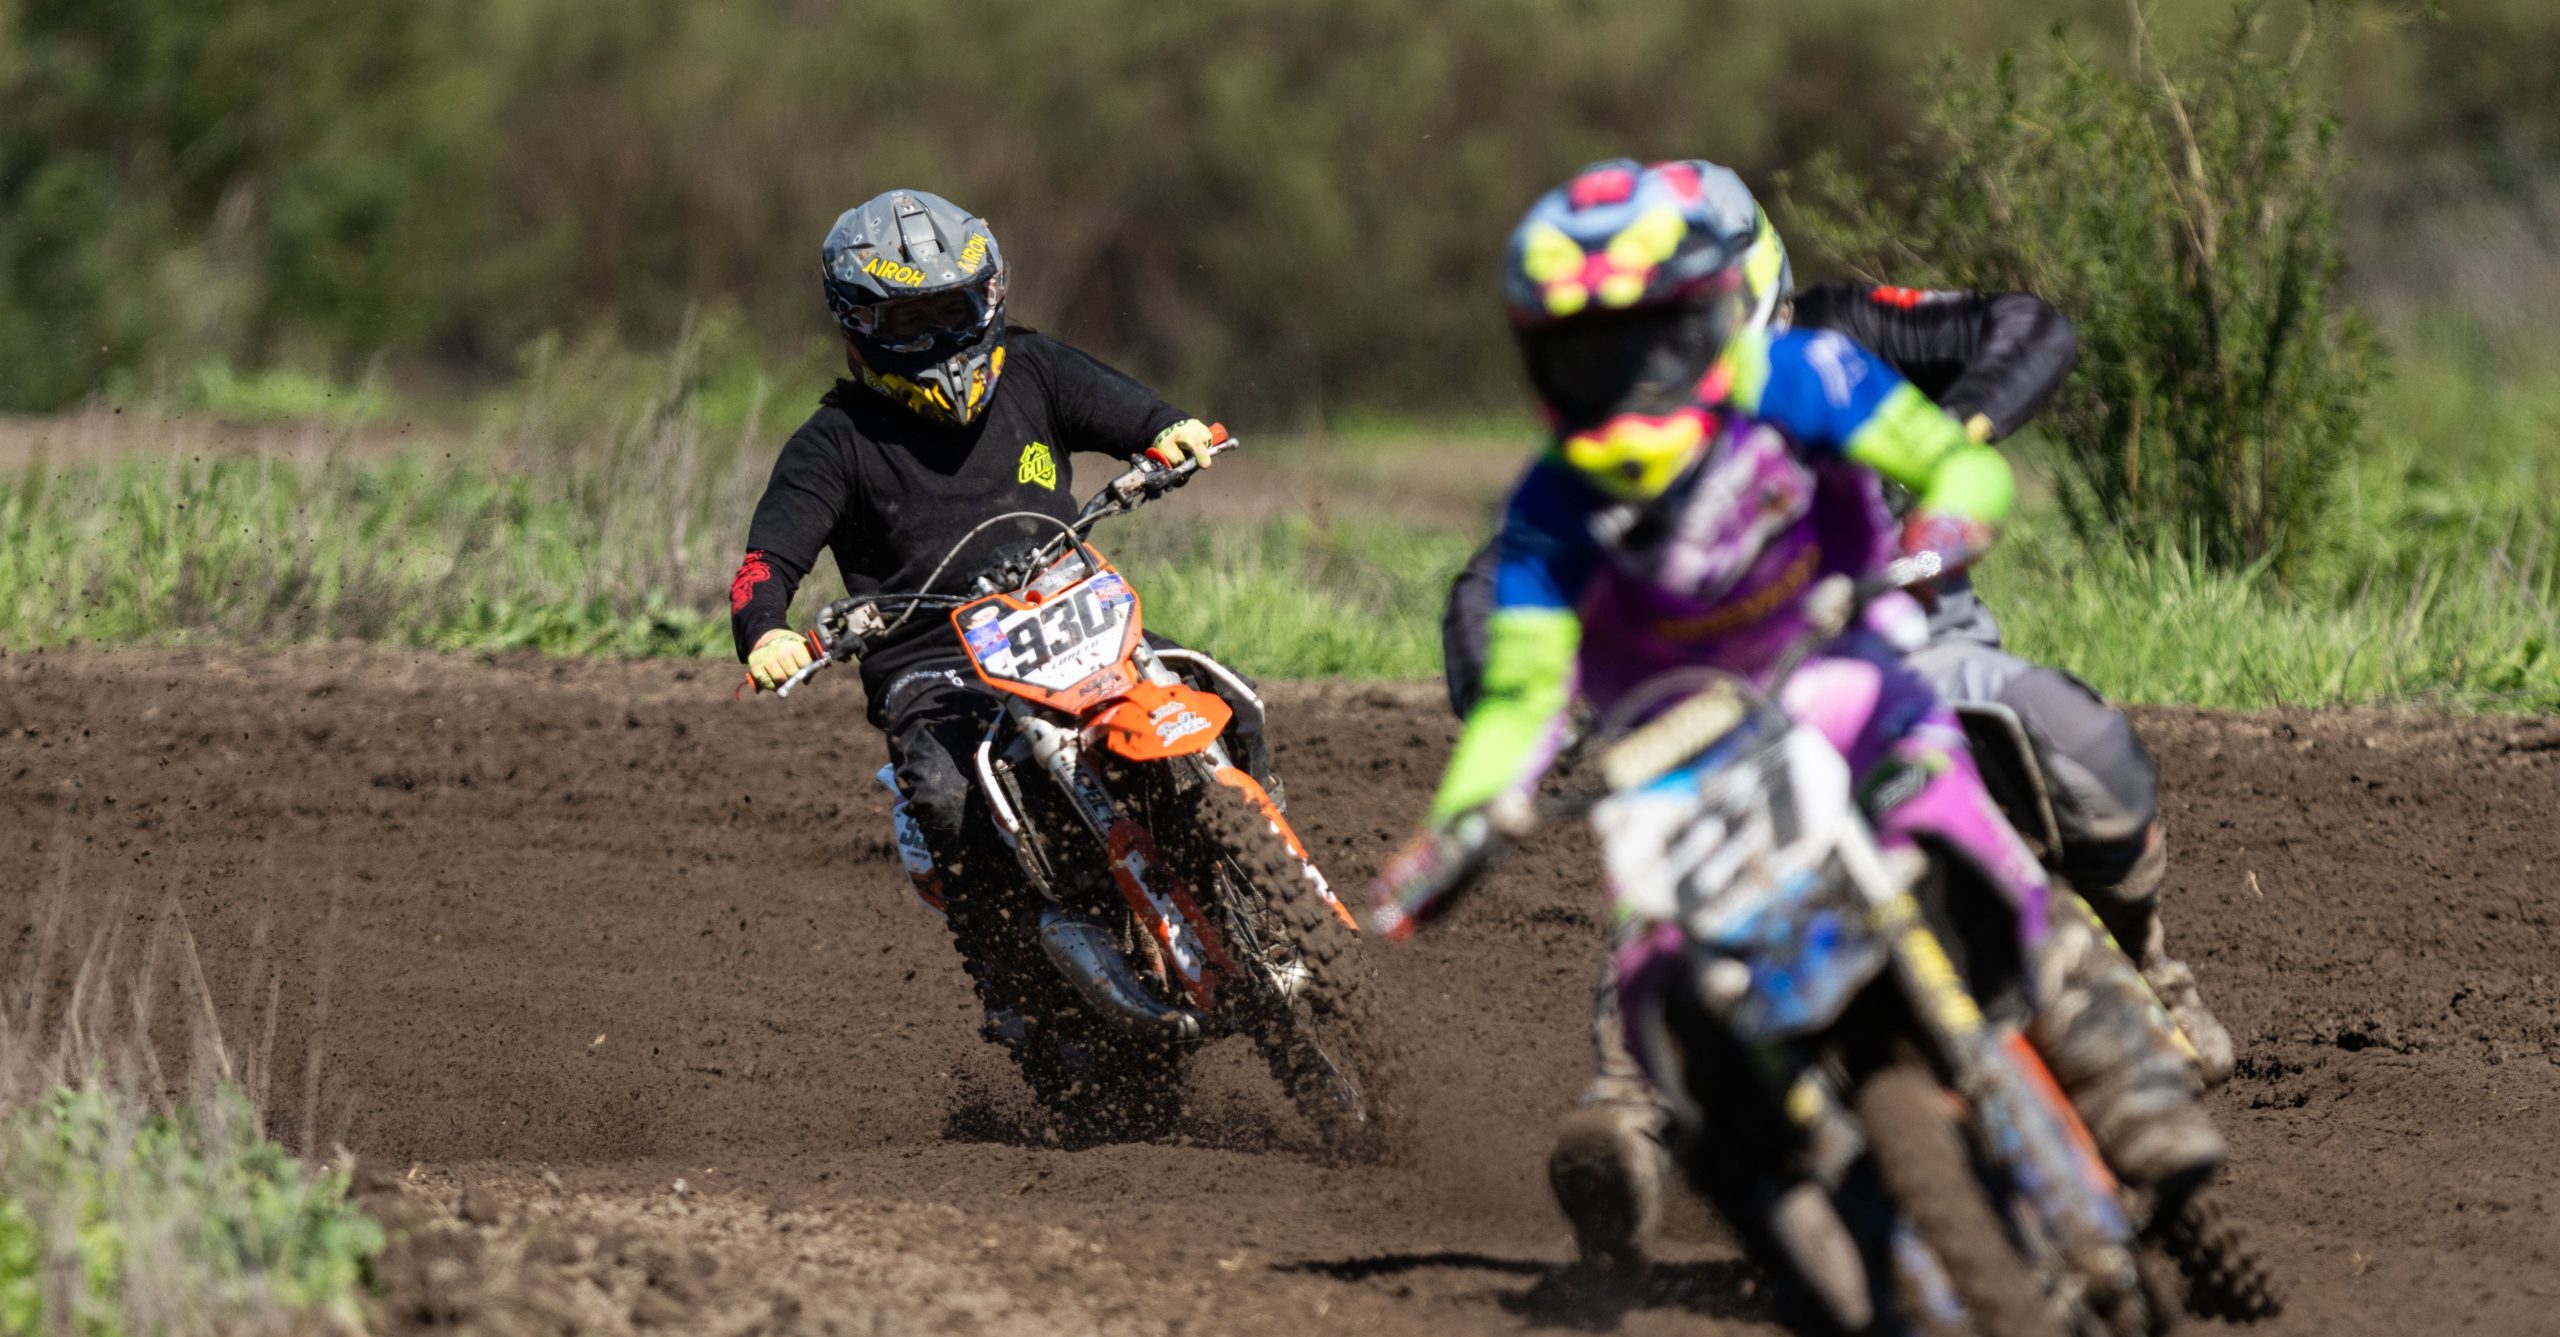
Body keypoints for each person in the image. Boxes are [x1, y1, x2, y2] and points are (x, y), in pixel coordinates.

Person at [1376, 159, 2220, 1272]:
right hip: (1712, 717)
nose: (1632, 376)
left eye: (1657, 337)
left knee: (2052, 731)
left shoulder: (1823, 351)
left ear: (1734, 298)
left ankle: (2144, 976)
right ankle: (1632, 1116)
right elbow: (1498, 604)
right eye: (1594, 354)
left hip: (1896, 636)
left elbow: (2024, 335)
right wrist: (1497, 769)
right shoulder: (1568, 492)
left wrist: (1946, 456)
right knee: (1668, 890)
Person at [731, 188, 1222, 1094]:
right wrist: (766, 633)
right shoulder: (834, 442)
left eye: (951, 310)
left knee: (1207, 689)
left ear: (988, 296)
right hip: (934, 665)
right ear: (859, 324)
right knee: (950, 796)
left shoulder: (1034, 369)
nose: (937, 338)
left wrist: (1170, 431)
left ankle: (1243, 858)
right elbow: (766, 561)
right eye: (909, 320)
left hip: (1070, 612)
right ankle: (1021, 987)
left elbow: (1139, 415)